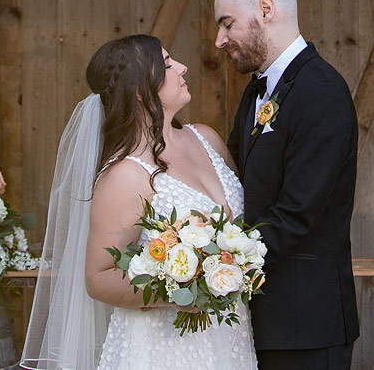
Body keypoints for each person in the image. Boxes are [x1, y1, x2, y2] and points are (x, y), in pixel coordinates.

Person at [20, 33, 258, 370]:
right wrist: (182, 287)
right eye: (168, 65)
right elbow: (98, 278)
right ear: (139, 91)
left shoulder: (206, 138)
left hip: (230, 334)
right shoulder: (125, 176)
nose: (183, 68)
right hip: (163, 348)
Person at [215, 0, 359, 370]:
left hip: (306, 323)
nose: (219, 40)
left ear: (266, 9)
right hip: (263, 318)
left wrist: (222, 263)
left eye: (227, 24)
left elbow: (299, 211)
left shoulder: (321, 91)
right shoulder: (258, 91)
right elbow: (234, 176)